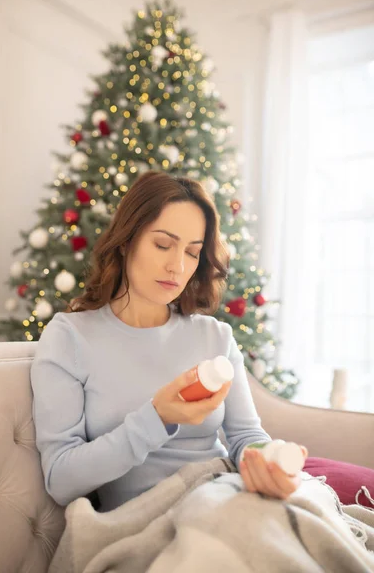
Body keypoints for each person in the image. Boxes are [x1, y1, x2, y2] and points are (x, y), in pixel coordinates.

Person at [30, 171, 307, 512]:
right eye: (162, 244)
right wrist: (157, 417)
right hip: (147, 525)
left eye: (192, 252)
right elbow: (60, 479)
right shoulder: (70, 337)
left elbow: (246, 437)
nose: (177, 266)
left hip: (227, 501)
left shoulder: (215, 336)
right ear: (126, 241)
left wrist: (270, 462)